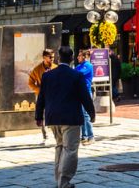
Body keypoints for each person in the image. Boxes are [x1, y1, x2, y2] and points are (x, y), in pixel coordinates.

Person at [34, 46, 95, 188]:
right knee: (70, 149)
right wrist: (91, 113)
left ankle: (58, 179)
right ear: (72, 59)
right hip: (71, 118)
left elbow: (41, 97)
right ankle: (64, 182)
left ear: (59, 59)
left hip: (53, 118)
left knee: (59, 147)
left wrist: (38, 116)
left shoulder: (47, 75)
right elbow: (85, 97)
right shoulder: (76, 76)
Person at [29, 48, 57, 145]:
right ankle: (46, 137)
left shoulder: (56, 68)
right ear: (44, 57)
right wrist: (39, 91)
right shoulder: (37, 69)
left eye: (53, 57)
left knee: (54, 115)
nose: (52, 59)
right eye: (50, 57)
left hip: (54, 96)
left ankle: (56, 136)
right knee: (43, 116)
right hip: (42, 96)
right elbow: (30, 82)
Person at [74, 49, 95, 146]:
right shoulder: (78, 66)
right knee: (81, 115)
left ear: (84, 57)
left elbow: (78, 74)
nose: (78, 57)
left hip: (86, 92)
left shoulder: (88, 66)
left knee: (86, 115)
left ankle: (91, 136)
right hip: (78, 93)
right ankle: (84, 136)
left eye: (79, 56)